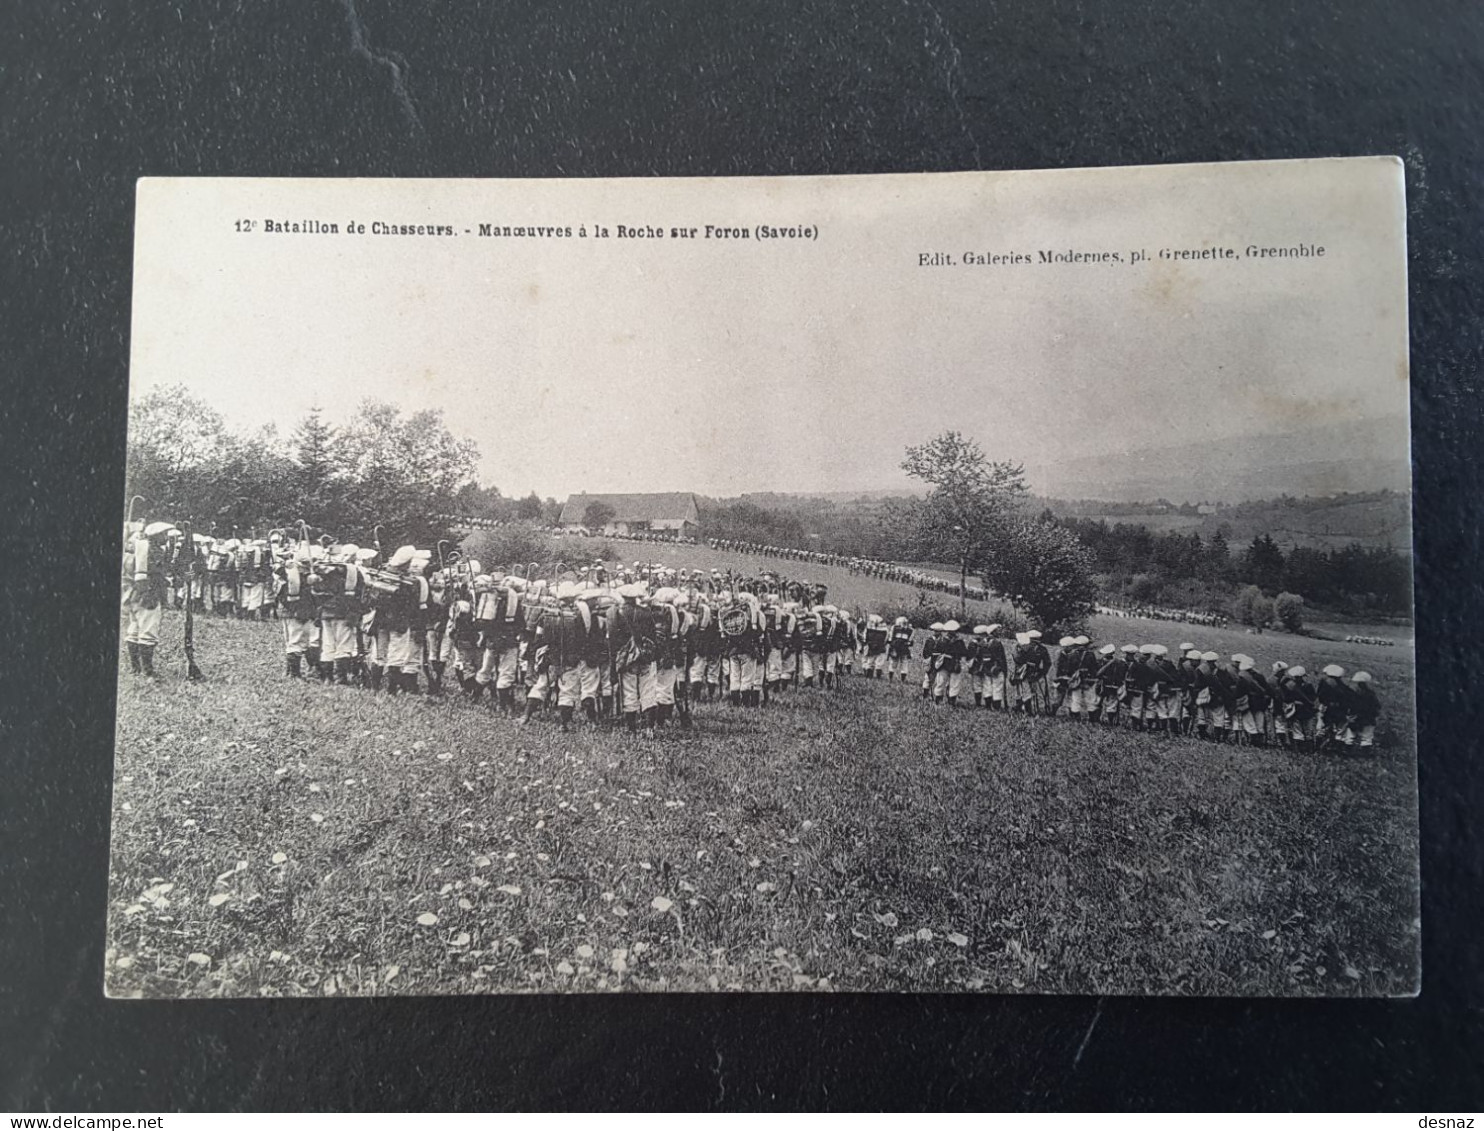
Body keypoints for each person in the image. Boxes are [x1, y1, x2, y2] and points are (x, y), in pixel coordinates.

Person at [123, 520, 174, 678]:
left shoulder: (138, 549)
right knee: (148, 631)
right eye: (164, 535)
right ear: (157, 536)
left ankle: (135, 668)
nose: (166, 537)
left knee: (134, 630)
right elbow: (157, 574)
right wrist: (168, 581)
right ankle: (148, 671)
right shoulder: (154, 551)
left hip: (133, 593)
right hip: (148, 594)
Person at [1316, 663, 1353, 752]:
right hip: (1339, 708)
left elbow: (1320, 695)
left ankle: (1318, 747)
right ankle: (1337, 748)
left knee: (1322, 726)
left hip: (1326, 707)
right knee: (1340, 728)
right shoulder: (1343, 686)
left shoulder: (1324, 682)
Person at [1343, 671, 1380, 750]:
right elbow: (1376, 705)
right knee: (1367, 736)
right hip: (1368, 717)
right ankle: (1365, 752)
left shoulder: (1353, 693)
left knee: (1350, 734)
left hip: (1355, 716)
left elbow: (1348, 704)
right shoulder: (1371, 694)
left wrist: (1349, 714)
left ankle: (1347, 750)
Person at [886, 616, 914, 683]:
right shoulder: (910, 630)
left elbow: (890, 639)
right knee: (901, 663)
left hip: (898, 647)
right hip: (901, 648)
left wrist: (892, 645)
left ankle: (893, 679)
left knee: (896, 663)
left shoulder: (895, 628)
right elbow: (910, 641)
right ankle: (897, 679)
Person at [861, 614, 890, 679]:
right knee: (879, 662)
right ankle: (877, 676)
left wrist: (868, 643)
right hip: (880, 647)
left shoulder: (868, 629)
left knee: (870, 661)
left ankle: (869, 676)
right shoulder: (885, 630)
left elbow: (865, 638)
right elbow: (886, 639)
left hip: (871, 646)